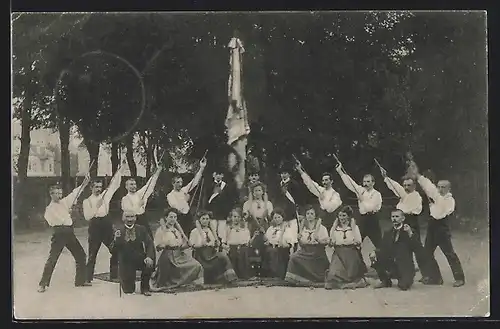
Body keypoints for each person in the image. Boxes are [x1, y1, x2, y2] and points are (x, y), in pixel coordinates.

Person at [409, 161, 465, 287]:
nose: (440, 189)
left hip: (442, 227)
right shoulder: (436, 195)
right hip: (432, 225)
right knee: (427, 252)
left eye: (443, 187)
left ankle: (459, 278)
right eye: (438, 187)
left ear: (449, 189)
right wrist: (417, 175)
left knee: (449, 253)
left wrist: (435, 200)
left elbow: (445, 210)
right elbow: (428, 186)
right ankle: (436, 278)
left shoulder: (450, 200)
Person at [38, 176, 91, 293]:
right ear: (51, 195)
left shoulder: (64, 202)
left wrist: (84, 183)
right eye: (56, 193)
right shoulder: (49, 209)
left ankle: (80, 281)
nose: (59, 195)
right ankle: (43, 284)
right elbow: (55, 222)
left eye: (60, 193)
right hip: (59, 233)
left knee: (81, 255)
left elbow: (75, 193)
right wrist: (67, 214)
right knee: (53, 258)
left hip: (69, 232)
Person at [83, 166, 123, 283]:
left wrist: (120, 170)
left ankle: (114, 275)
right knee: (92, 254)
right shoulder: (87, 201)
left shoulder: (105, 196)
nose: (98, 189)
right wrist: (96, 206)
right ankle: (87, 278)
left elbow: (115, 184)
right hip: (95, 226)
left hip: (106, 224)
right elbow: (87, 217)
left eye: (100, 187)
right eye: (96, 187)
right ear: (91, 188)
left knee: (115, 249)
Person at [150, 208, 204, 291]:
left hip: (179, 255)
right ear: (166, 218)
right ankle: (171, 283)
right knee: (165, 278)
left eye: (175, 217)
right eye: (171, 217)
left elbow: (181, 247)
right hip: (168, 256)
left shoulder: (177, 231)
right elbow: (157, 247)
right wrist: (164, 244)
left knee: (197, 265)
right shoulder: (161, 230)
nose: (173, 219)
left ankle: (188, 283)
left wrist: (188, 245)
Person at [370, 209, 424, 291]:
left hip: (405, 265)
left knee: (403, 286)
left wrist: (410, 233)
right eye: (393, 217)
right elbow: (383, 247)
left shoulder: (409, 231)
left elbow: (418, 248)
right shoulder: (388, 232)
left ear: (403, 218)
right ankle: (385, 280)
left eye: (397, 216)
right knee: (375, 255)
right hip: (392, 263)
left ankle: (405, 278)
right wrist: (375, 252)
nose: (394, 219)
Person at [336, 162, 382, 249]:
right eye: (364, 181)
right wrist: (340, 172)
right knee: (356, 242)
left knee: (379, 244)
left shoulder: (377, 194)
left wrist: (362, 200)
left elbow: (371, 207)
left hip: (373, 219)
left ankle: (381, 261)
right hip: (362, 219)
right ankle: (358, 261)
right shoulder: (360, 190)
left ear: (373, 183)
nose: (366, 184)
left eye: (368, 182)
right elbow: (350, 183)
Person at [110, 211, 155, 296]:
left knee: (149, 264)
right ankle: (128, 284)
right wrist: (116, 239)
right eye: (127, 217)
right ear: (123, 218)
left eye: (132, 217)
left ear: (135, 218)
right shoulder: (118, 230)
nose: (130, 219)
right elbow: (112, 250)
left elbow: (149, 243)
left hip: (139, 257)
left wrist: (149, 256)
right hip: (125, 260)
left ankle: (145, 288)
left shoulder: (141, 229)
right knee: (129, 290)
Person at [284, 205, 330, 285]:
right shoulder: (303, 227)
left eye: (312, 214)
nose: (309, 215)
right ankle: (296, 279)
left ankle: (314, 278)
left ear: (315, 215)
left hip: (317, 251)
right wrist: (299, 239)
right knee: (294, 257)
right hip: (305, 250)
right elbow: (301, 244)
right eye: (308, 213)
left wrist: (318, 240)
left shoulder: (321, 228)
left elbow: (326, 242)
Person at [325, 205, 368, 290]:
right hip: (338, 253)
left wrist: (352, 228)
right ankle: (342, 282)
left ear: (348, 216)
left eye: (344, 215)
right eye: (340, 215)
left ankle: (352, 281)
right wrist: (331, 241)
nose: (342, 218)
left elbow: (358, 242)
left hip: (351, 253)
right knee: (333, 274)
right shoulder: (335, 228)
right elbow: (331, 243)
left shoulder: (354, 227)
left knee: (351, 275)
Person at [189, 210, 237, 284]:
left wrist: (217, 243)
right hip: (201, 255)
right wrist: (201, 244)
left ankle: (230, 278)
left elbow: (215, 242)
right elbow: (191, 244)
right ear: (199, 220)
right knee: (217, 260)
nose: (205, 221)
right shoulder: (195, 231)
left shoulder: (211, 230)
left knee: (223, 256)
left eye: (207, 219)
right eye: (203, 219)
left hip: (211, 253)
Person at [295, 161, 342, 232]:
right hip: (321, 219)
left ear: (331, 181)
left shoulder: (335, 194)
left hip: (332, 220)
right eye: (323, 180)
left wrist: (324, 199)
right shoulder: (321, 190)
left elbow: (330, 209)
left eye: (326, 180)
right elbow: (310, 184)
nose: (324, 182)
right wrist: (300, 170)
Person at [379, 168, 423, 243]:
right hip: (402, 220)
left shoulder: (417, 196)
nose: (406, 187)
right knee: (400, 244)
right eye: (404, 185)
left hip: (412, 221)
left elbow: (408, 208)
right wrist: (385, 177)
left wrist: (402, 202)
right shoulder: (404, 194)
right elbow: (395, 186)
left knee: (415, 244)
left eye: (409, 185)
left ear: (414, 186)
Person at [166, 157, 207, 235]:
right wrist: (186, 200)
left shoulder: (184, 190)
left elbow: (194, 182)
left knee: (191, 235)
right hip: (178, 218)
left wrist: (202, 168)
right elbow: (176, 206)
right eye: (178, 182)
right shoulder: (170, 195)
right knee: (181, 237)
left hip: (188, 217)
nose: (180, 184)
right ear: (173, 183)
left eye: (181, 182)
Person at [121, 163, 163, 237]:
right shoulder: (125, 199)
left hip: (143, 219)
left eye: (134, 184)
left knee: (149, 238)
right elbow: (129, 213)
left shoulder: (139, 194)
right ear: (126, 187)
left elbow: (149, 185)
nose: (133, 186)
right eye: (131, 184)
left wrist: (156, 173)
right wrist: (138, 205)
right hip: (133, 221)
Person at [242, 181, 274, 276]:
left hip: (264, 225)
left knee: (264, 245)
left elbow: (270, 218)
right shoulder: (247, 203)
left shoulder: (268, 203)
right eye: (255, 190)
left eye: (259, 190)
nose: (257, 193)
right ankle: (252, 270)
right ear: (252, 192)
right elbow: (245, 217)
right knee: (253, 245)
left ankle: (265, 269)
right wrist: (248, 215)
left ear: (263, 192)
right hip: (252, 225)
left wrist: (266, 217)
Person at [205, 168, 237, 247]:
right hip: (212, 212)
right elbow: (206, 198)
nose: (218, 176)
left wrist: (227, 210)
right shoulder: (209, 186)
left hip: (223, 213)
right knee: (213, 230)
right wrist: (207, 210)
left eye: (220, 174)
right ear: (213, 175)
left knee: (222, 231)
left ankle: (222, 246)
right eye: (216, 174)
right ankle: (213, 245)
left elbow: (230, 199)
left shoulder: (226, 186)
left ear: (222, 175)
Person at [274, 165, 302, 251]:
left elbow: (298, 198)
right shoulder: (278, 185)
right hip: (282, 213)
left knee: (293, 234)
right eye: (282, 173)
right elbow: (276, 198)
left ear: (289, 174)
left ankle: (294, 253)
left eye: (285, 173)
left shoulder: (294, 184)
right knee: (283, 234)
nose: (283, 175)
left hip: (292, 212)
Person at [263, 208, 294, 279]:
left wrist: (282, 243)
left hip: (282, 248)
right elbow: (267, 239)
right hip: (271, 247)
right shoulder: (271, 228)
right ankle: (268, 273)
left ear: (283, 217)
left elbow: (289, 242)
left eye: (279, 217)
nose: (277, 219)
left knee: (274, 252)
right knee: (268, 250)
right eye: (275, 218)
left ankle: (277, 274)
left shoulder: (287, 228)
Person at [224, 207, 252, 279]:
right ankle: (234, 274)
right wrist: (226, 246)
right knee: (233, 254)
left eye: (238, 217)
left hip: (241, 247)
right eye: (234, 216)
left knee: (243, 251)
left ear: (241, 218)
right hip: (231, 247)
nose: (236, 218)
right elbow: (224, 241)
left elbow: (246, 240)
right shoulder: (228, 228)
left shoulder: (244, 228)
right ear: (231, 217)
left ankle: (244, 274)